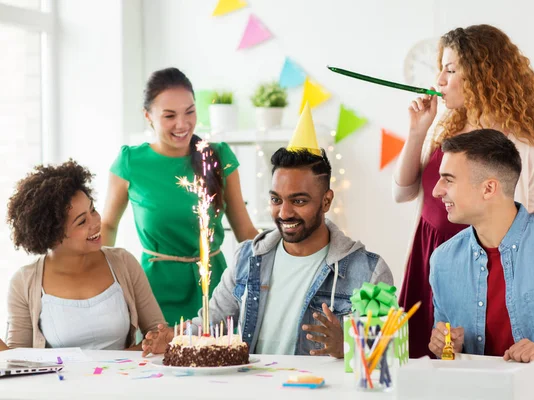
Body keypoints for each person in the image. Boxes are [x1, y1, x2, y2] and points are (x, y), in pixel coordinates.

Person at [142, 106, 394, 358]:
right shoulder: (247, 258)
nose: (284, 213)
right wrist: (176, 337)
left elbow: (391, 352)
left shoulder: (370, 271)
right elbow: (211, 324)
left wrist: (348, 346)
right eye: (276, 200)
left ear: (326, 201)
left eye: (299, 201)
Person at [392, 24, 534, 358]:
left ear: (483, 75)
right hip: (430, 253)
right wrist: (417, 131)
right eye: (440, 69)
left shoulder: (526, 146)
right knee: (423, 361)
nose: (439, 80)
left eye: (451, 70)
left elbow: (531, 216)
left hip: (481, 264)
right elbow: (403, 192)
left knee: (472, 356)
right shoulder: (448, 133)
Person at [427, 130, 534, 400]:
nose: (437, 191)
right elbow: (447, 349)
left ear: (489, 188)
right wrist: (448, 347)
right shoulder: (443, 261)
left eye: (448, 180)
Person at [102, 67, 258, 326]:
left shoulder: (218, 156)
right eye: (169, 115)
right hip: (153, 293)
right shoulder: (130, 162)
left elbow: (245, 230)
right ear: (148, 116)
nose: (182, 124)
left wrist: (283, 269)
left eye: (190, 111)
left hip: (215, 288)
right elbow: (107, 225)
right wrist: (104, 283)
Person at [6, 160, 165, 350]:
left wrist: (119, 365)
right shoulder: (25, 282)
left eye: (93, 210)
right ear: (53, 235)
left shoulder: (123, 262)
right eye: (82, 222)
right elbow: (17, 358)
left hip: (122, 379)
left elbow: (158, 334)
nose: (96, 222)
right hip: (59, 381)